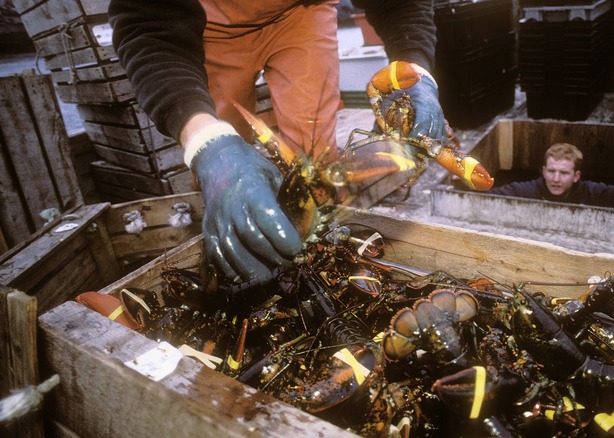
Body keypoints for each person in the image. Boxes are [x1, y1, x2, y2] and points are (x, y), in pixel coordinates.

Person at [108, 0, 446, 283]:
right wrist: (206, 140)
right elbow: (147, 24)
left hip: (303, 12)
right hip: (208, 24)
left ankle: (313, 261)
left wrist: (415, 70)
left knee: (314, 154)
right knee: (226, 171)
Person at [488, 143, 614, 209]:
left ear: (576, 176)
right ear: (543, 171)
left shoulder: (589, 191)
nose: (555, 179)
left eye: (564, 173)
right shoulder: (528, 189)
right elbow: (490, 197)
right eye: (551, 171)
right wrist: (463, 181)